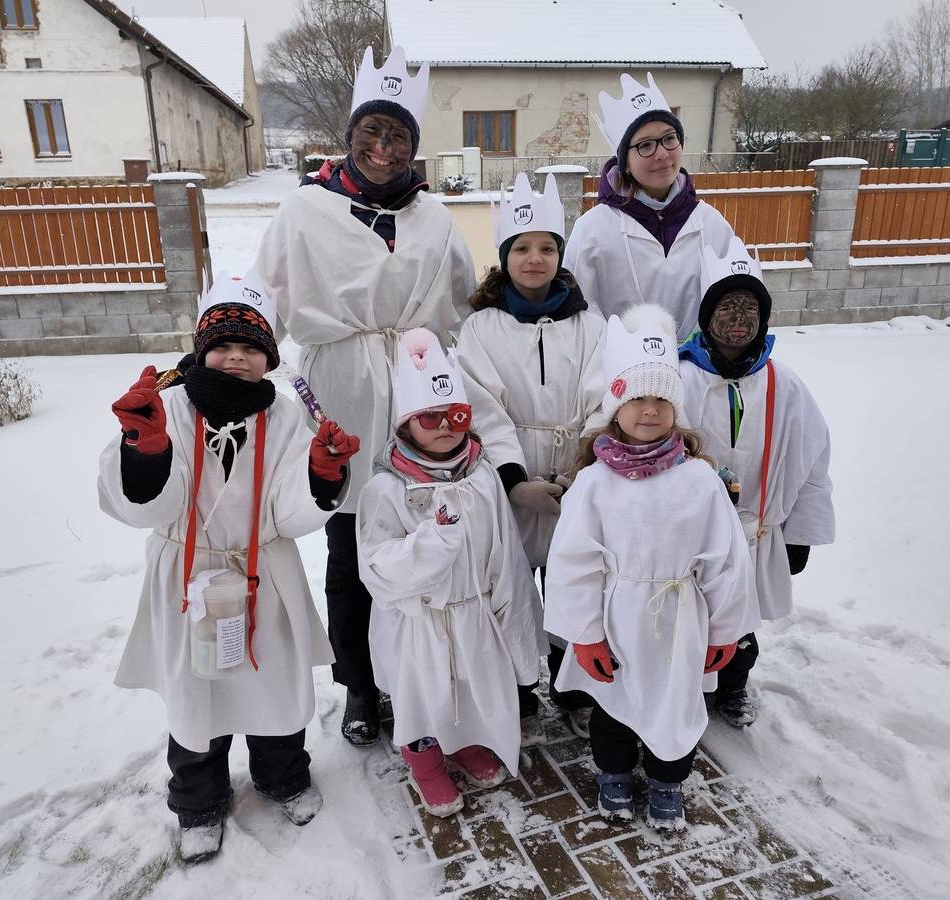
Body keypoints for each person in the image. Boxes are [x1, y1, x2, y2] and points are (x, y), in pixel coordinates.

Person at [253, 46, 476, 746]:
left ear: (414, 147)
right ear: (351, 138)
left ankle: (425, 674)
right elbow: (267, 297)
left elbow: (466, 303)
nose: (384, 148)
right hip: (343, 389)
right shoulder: (304, 210)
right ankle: (360, 686)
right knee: (351, 554)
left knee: (424, 541)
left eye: (399, 136)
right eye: (372, 133)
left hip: (416, 395)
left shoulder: (435, 219)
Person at [97, 273, 360, 864]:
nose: (236, 358)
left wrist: (320, 474)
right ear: (200, 349)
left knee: (272, 682)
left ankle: (283, 776)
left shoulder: (288, 417)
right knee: (198, 694)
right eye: (223, 346)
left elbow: (289, 513)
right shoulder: (166, 404)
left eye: (250, 348)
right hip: (189, 580)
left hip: (262, 574)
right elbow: (148, 509)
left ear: (268, 358)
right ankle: (197, 801)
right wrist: (148, 449)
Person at [545, 304, 758, 829]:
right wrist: (586, 635)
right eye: (636, 397)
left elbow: (727, 561)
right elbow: (573, 563)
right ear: (614, 406)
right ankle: (614, 775)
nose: (649, 409)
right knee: (614, 707)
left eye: (662, 398)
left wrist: (725, 631)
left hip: (682, 615)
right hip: (619, 617)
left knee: (679, 705)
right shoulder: (594, 483)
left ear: (677, 408)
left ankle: (667, 783)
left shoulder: (700, 480)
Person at [356, 329, 544, 817]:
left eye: (456, 416)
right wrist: (433, 542)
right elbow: (377, 567)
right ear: (405, 425)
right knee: (421, 693)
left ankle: (460, 742)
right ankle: (424, 763)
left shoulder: (481, 476)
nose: (445, 426)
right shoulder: (386, 490)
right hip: (418, 619)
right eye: (429, 418)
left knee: (467, 685)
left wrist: (508, 611)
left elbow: (503, 547)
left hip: (473, 609)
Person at [454, 172, 606, 741]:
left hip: (576, 477)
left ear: (561, 256)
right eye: (522, 248)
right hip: (506, 485)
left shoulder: (590, 325)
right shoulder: (481, 328)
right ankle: (516, 686)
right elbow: (481, 405)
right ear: (504, 258)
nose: (534, 258)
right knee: (510, 585)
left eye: (546, 247)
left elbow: (602, 394)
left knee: (574, 578)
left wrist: (583, 468)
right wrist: (514, 478)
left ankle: (574, 682)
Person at [678, 238, 835, 726]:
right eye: (727, 306)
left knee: (740, 620)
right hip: (690, 535)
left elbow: (813, 460)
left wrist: (800, 533)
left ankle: (733, 685)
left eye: (750, 307)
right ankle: (688, 686)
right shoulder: (678, 380)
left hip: (754, 532)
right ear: (706, 317)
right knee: (689, 614)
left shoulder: (783, 384)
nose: (739, 318)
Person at [564, 72, 737, 339]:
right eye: (645, 145)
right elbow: (578, 317)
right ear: (625, 163)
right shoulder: (593, 230)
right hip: (618, 372)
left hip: (700, 373)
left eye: (669, 138)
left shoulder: (712, 225)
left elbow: (733, 302)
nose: (662, 154)